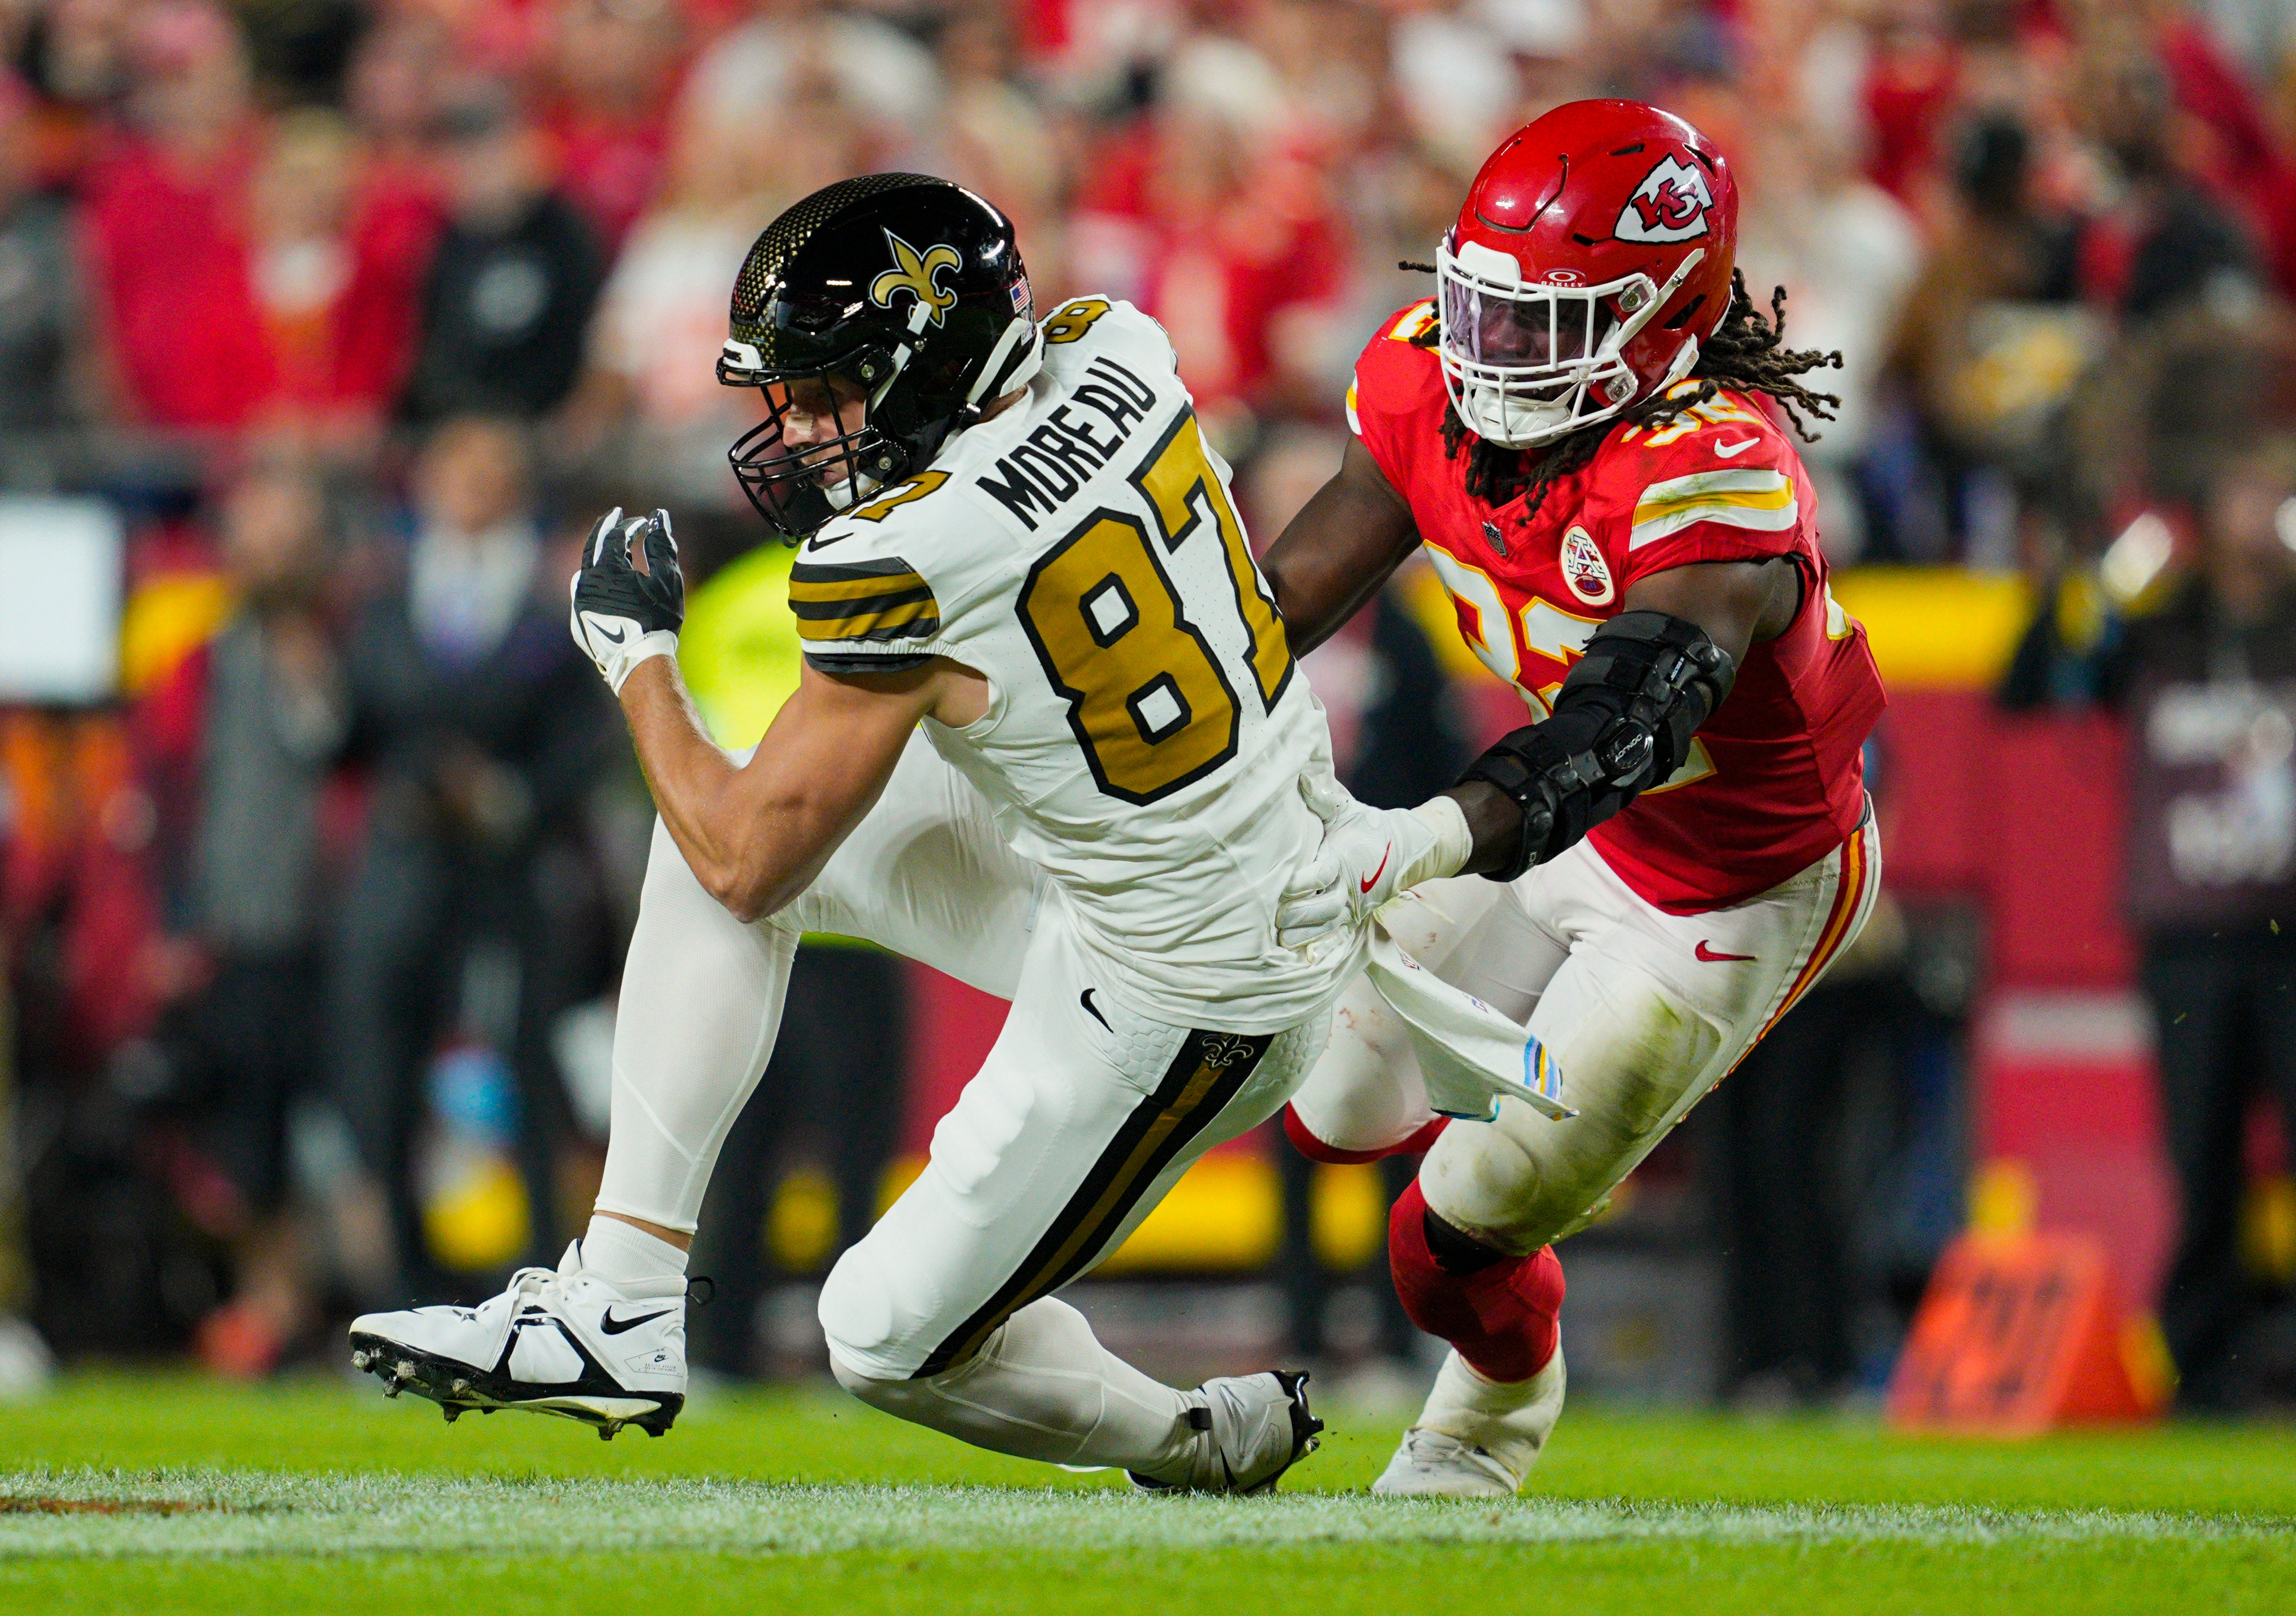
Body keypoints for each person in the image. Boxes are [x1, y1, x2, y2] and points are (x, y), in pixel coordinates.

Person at [345, 175, 1540, 1489]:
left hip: (1195, 981)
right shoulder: (1120, 352)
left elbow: (755, 851)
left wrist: (634, 655)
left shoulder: (910, 550)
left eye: (826, 390)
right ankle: (616, 1297)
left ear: (930, 367)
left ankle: (1200, 1438)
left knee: (880, 1334)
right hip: (1162, 851)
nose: (797, 429)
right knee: (707, 845)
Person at [1258, 100, 1889, 1496]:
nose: (1491, 354)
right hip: (1557, 828)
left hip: (1725, 884)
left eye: (1552, 320)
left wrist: (1414, 835)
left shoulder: (1708, 471)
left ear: (1664, 319)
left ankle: (1490, 1415)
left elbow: (1619, 735)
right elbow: (1279, 603)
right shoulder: (1425, 376)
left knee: (1447, 1235)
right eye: (1483, 306)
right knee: (1325, 1101)